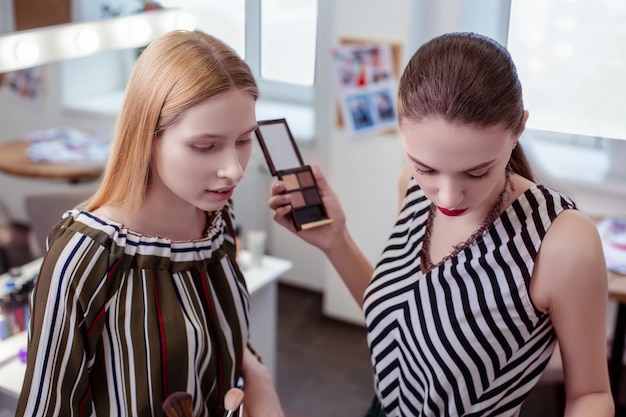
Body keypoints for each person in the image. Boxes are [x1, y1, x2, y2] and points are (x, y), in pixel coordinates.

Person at [269, 32, 613, 416]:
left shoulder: (561, 242)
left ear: (519, 129)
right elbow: (406, 317)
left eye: (478, 172)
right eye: (426, 168)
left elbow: (590, 395)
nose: (447, 197)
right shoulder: (411, 187)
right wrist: (335, 241)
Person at [16, 30, 284, 417]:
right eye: (206, 146)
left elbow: (222, 339)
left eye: (244, 140)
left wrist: (257, 379)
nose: (234, 170)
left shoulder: (217, 219)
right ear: (148, 136)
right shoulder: (84, 259)